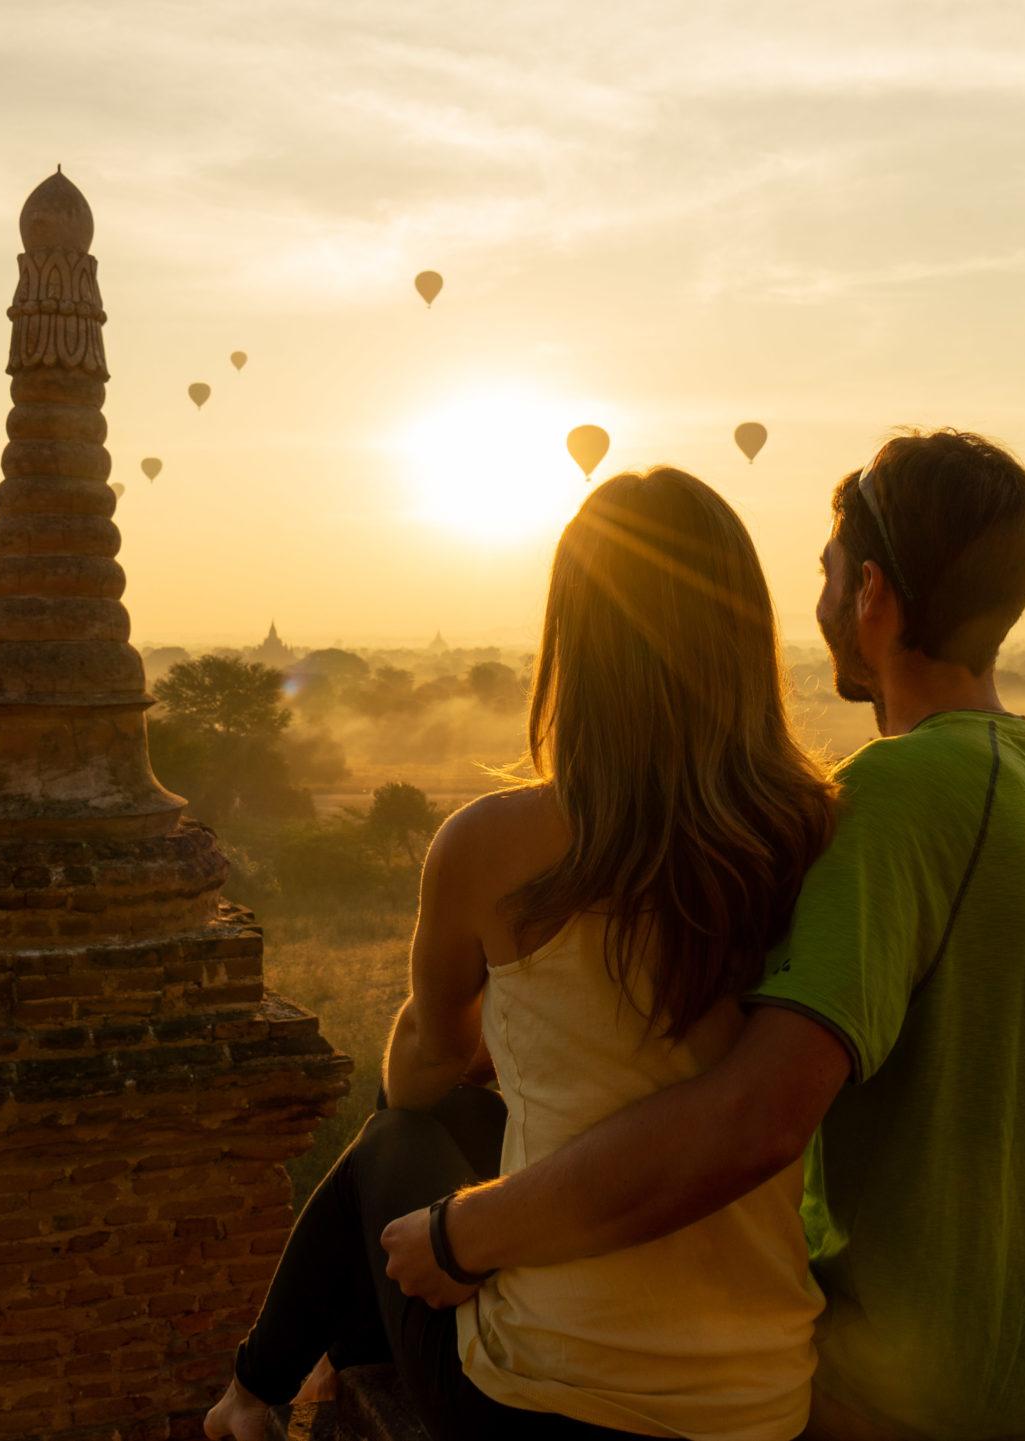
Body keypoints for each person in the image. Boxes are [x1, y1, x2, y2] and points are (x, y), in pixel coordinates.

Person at [383, 430, 1025, 1441]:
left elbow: (750, 1121)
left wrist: (462, 1231)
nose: (822, 597)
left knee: (398, 1171)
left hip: (881, 1392)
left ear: (871, 595)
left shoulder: (895, 795)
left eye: (829, 573)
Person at [206, 468, 834, 1441]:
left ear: (572, 640)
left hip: (543, 1395)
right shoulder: (815, 835)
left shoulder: (492, 843)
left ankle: (252, 1390)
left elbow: (418, 1072)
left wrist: (494, 1026)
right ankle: (253, 1389)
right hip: (755, 1401)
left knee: (397, 1134)